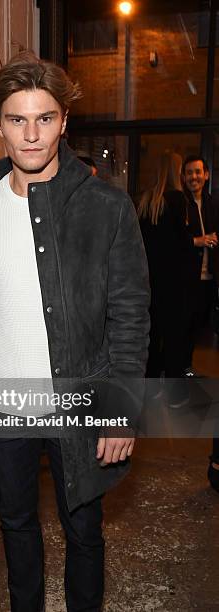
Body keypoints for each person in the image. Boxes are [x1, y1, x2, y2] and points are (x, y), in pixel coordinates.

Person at [0, 52, 150, 612]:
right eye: (17, 119)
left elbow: (130, 314)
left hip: (79, 394)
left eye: (45, 118)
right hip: (5, 398)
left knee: (84, 529)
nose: (32, 135)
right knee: (15, 525)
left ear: (64, 121)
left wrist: (121, 410)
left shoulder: (105, 206)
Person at [138, 152, 192, 405]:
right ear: (175, 171)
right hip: (174, 280)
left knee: (154, 332)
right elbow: (183, 243)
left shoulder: (148, 200)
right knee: (174, 336)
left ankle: (149, 388)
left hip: (151, 278)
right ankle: (173, 394)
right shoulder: (178, 199)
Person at [181, 156, 219, 493]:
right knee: (187, 326)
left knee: (202, 330)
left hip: (210, 280)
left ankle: (190, 367)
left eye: (199, 172)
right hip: (188, 280)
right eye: (190, 172)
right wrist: (198, 241)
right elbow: (172, 244)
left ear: (206, 176)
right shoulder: (180, 205)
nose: (195, 177)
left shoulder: (212, 203)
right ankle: (183, 371)